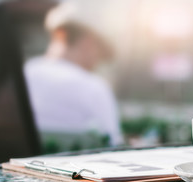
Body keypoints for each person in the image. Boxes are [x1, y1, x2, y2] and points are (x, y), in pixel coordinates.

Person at [25, 1, 122, 147]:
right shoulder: (94, 86)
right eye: (100, 52)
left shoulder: (26, 71)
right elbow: (113, 145)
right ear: (89, 42)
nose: (98, 62)